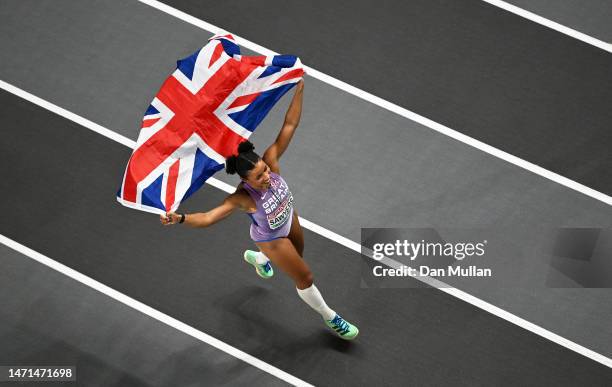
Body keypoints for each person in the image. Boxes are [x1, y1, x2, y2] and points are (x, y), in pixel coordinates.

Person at [160, 79, 358, 340]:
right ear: (245, 181)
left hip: (289, 218)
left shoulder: (271, 161)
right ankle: (330, 317)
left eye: (264, 170)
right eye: (259, 176)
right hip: (272, 239)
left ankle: (260, 259)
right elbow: (208, 218)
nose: (266, 176)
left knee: (298, 254)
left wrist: (299, 90)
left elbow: (290, 125)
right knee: (305, 276)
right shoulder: (242, 197)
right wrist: (180, 218)